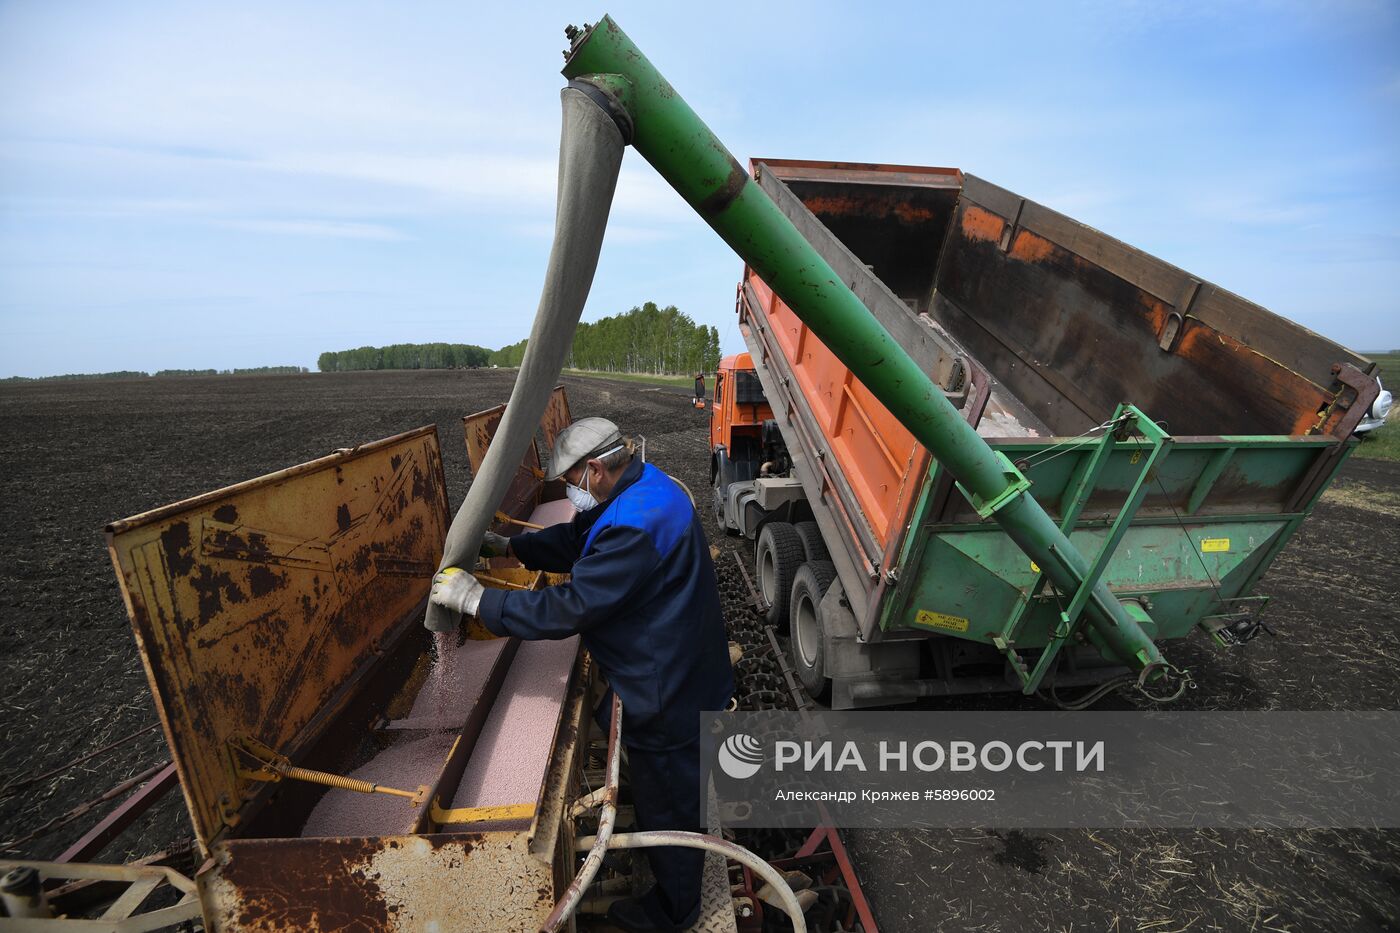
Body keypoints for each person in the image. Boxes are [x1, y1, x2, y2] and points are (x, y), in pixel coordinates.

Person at [430, 416, 734, 932]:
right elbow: (578, 539)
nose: (571, 492)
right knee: (662, 773)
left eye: (571, 481)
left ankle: (674, 910)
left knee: (670, 799)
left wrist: (479, 600)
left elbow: (569, 608)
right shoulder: (643, 487)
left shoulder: (634, 528)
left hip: (668, 689)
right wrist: (510, 548)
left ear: (594, 469)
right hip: (682, 657)